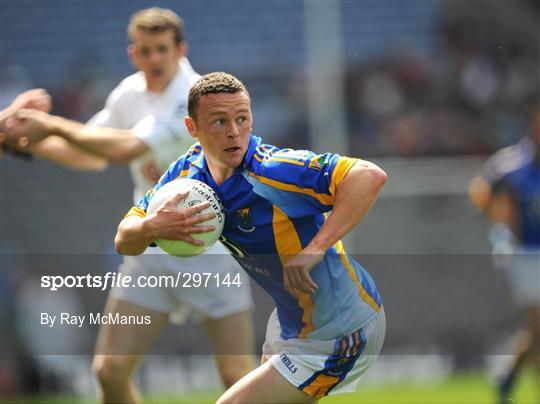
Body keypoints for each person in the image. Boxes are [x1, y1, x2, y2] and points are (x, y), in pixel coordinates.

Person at [5, 8, 255, 403]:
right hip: (151, 249)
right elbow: (91, 152)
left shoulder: (192, 98)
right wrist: (23, 140)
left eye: (162, 49)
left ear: (180, 50)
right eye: (145, 50)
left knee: (235, 374)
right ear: (132, 54)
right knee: (109, 370)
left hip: (209, 252)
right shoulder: (128, 93)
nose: (154, 58)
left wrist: (48, 125)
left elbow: (126, 149)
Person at [115, 71, 387, 403]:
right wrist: (151, 227)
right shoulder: (185, 177)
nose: (233, 132)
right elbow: (124, 238)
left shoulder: (273, 169)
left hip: (342, 327)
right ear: (192, 129)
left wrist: (316, 248)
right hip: (294, 326)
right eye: (218, 121)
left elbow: (369, 176)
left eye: (242, 119)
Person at [469, 96, 540, 404]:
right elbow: (481, 193)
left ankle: (508, 373)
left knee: (537, 329)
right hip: (524, 253)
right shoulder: (513, 162)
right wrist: (499, 220)